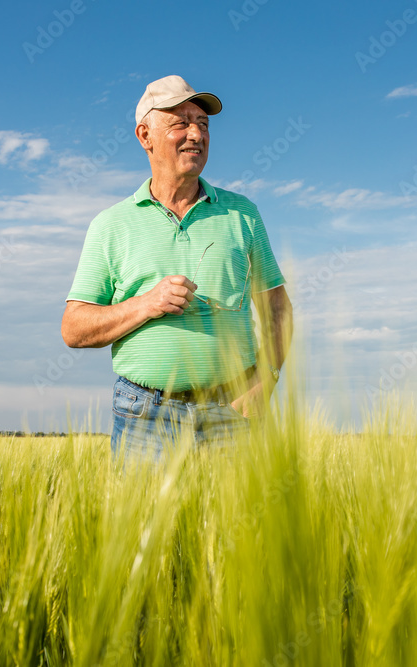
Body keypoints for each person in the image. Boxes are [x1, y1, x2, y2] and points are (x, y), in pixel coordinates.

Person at [61, 74, 293, 460]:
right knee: (148, 523)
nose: (197, 135)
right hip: (143, 417)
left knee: (235, 523)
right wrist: (147, 303)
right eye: (180, 122)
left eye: (203, 124)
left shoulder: (242, 214)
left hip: (232, 411)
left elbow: (278, 311)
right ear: (144, 135)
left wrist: (265, 380)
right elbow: (74, 328)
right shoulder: (110, 225)